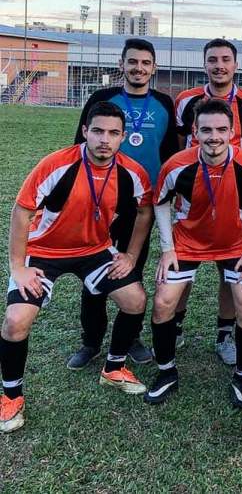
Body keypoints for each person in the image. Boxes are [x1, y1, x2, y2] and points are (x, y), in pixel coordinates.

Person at [0, 102, 153, 433]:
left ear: (123, 137)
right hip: (43, 251)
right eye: (97, 131)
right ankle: (11, 396)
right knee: (15, 322)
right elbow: (21, 212)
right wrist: (18, 266)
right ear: (85, 131)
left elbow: (145, 212)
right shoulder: (56, 164)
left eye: (113, 133)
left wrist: (129, 254)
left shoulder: (132, 172)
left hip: (94, 250)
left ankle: (113, 370)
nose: (104, 140)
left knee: (135, 300)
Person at [145, 98, 242, 409]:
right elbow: (159, 201)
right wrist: (167, 248)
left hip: (236, 245)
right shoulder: (176, 164)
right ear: (195, 131)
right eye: (207, 130)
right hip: (187, 243)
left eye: (221, 130)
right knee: (162, 301)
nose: (214, 136)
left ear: (232, 132)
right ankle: (166, 373)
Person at [68, 38, 177, 369]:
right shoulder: (102, 99)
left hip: (143, 203)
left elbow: (171, 152)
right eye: (133, 62)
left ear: (154, 67)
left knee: (134, 268)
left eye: (145, 63)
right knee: (94, 270)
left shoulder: (163, 103)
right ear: (122, 64)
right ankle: (91, 341)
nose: (138, 68)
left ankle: (131, 337)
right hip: (101, 200)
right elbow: (79, 146)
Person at [174, 38, 242, 364]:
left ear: (235, 65)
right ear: (204, 64)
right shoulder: (185, 100)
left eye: (225, 59)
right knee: (182, 272)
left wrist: (238, 184)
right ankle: (177, 328)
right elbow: (178, 144)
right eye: (213, 59)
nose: (219, 65)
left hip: (232, 203)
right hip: (193, 201)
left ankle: (224, 336)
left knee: (231, 273)